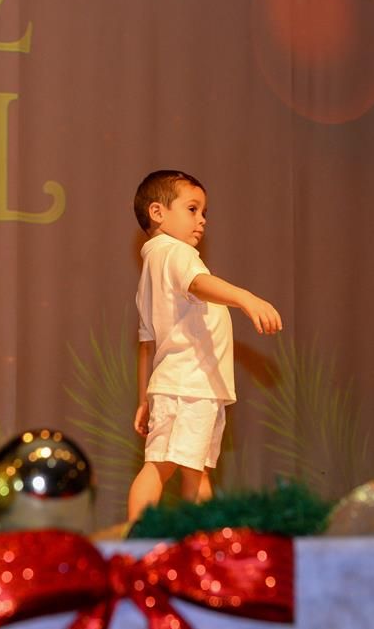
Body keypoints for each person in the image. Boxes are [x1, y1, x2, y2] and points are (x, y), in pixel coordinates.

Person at [127, 170, 282, 522]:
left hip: (188, 385)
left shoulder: (155, 264)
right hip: (188, 385)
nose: (202, 220)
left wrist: (144, 399)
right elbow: (198, 284)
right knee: (160, 467)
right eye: (192, 209)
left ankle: (202, 541)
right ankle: (135, 539)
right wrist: (246, 298)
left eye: (204, 212)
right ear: (157, 212)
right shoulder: (175, 253)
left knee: (195, 473)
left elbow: (147, 344)